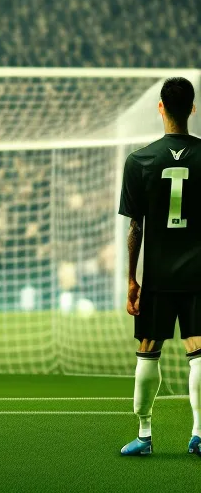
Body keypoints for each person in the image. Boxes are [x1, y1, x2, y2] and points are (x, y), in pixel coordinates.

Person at [118, 77, 201, 458]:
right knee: (198, 350)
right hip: (198, 274)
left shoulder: (139, 161)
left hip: (158, 275)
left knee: (148, 349)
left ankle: (145, 434)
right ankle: (199, 434)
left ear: (161, 108)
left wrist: (131, 279)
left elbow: (136, 226)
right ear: (193, 109)